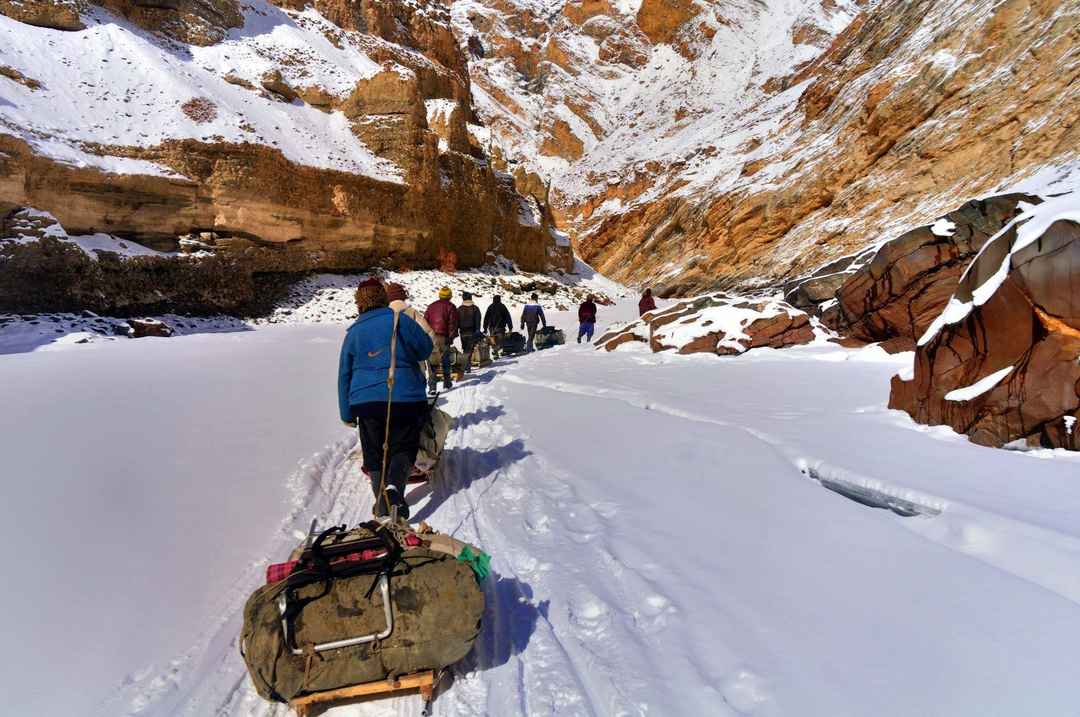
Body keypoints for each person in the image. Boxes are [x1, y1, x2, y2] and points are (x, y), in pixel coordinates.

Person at [338, 278, 433, 519]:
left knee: (373, 453)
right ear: (383, 297)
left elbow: (344, 374)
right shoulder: (400, 320)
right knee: (403, 446)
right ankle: (394, 488)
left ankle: (381, 502)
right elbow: (425, 349)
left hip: (365, 401)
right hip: (405, 396)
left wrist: (346, 412)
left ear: (358, 303)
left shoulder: (354, 332)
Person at [386, 282, 435, 384]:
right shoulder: (412, 312)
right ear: (403, 296)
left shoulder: (384, 315)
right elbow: (429, 332)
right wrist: (424, 353)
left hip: (390, 360)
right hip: (413, 358)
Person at [424, 286, 459, 393]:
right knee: (445, 361)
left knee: (432, 361)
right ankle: (447, 383)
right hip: (444, 337)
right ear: (449, 296)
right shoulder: (451, 306)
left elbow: (425, 321)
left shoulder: (431, 306)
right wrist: (451, 337)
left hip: (431, 337)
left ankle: (432, 387)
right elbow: (453, 323)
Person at [457, 291, 483, 374]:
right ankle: (467, 366)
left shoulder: (459, 309)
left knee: (465, 348)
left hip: (462, 333)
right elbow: (478, 320)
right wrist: (478, 330)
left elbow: (456, 322)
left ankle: (466, 365)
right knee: (470, 350)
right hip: (472, 332)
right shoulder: (475, 308)